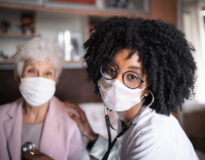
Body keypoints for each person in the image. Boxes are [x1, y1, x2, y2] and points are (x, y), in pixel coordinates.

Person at [66, 17, 199, 160]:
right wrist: (91, 136)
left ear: (150, 86)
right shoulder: (128, 116)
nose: (116, 82)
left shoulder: (154, 136)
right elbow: (121, 156)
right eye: (111, 69)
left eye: (132, 77)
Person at [0, 38, 89, 160]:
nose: (39, 80)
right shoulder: (1, 115)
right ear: (18, 78)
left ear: (55, 82)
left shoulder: (71, 119)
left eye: (47, 73)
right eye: (31, 71)